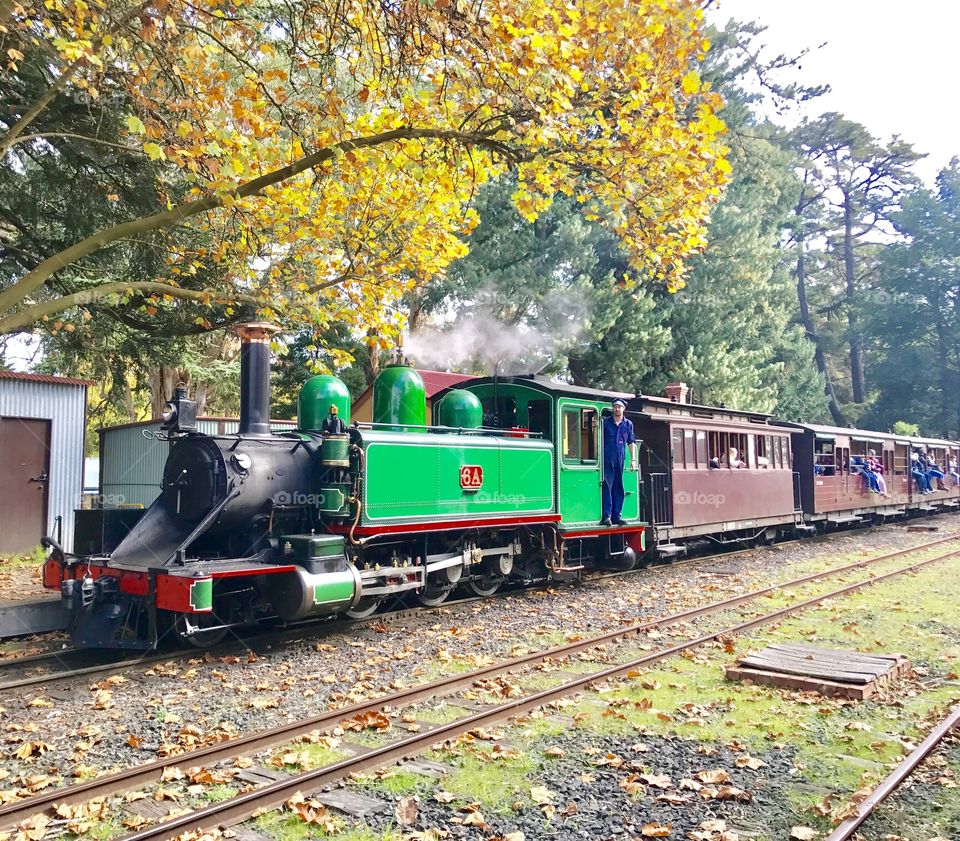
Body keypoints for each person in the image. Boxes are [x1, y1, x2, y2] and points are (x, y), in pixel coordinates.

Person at [601, 398, 636, 526]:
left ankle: (617, 515)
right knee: (607, 486)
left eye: (619, 407)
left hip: (620, 459)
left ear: (623, 409)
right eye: (615, 407)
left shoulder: (628, 424)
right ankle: (607, 515)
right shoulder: (605, 423)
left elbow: (631, 442)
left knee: (618, 487)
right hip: (607, 459)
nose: (617, 409)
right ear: (612, 408)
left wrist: (633, 460)